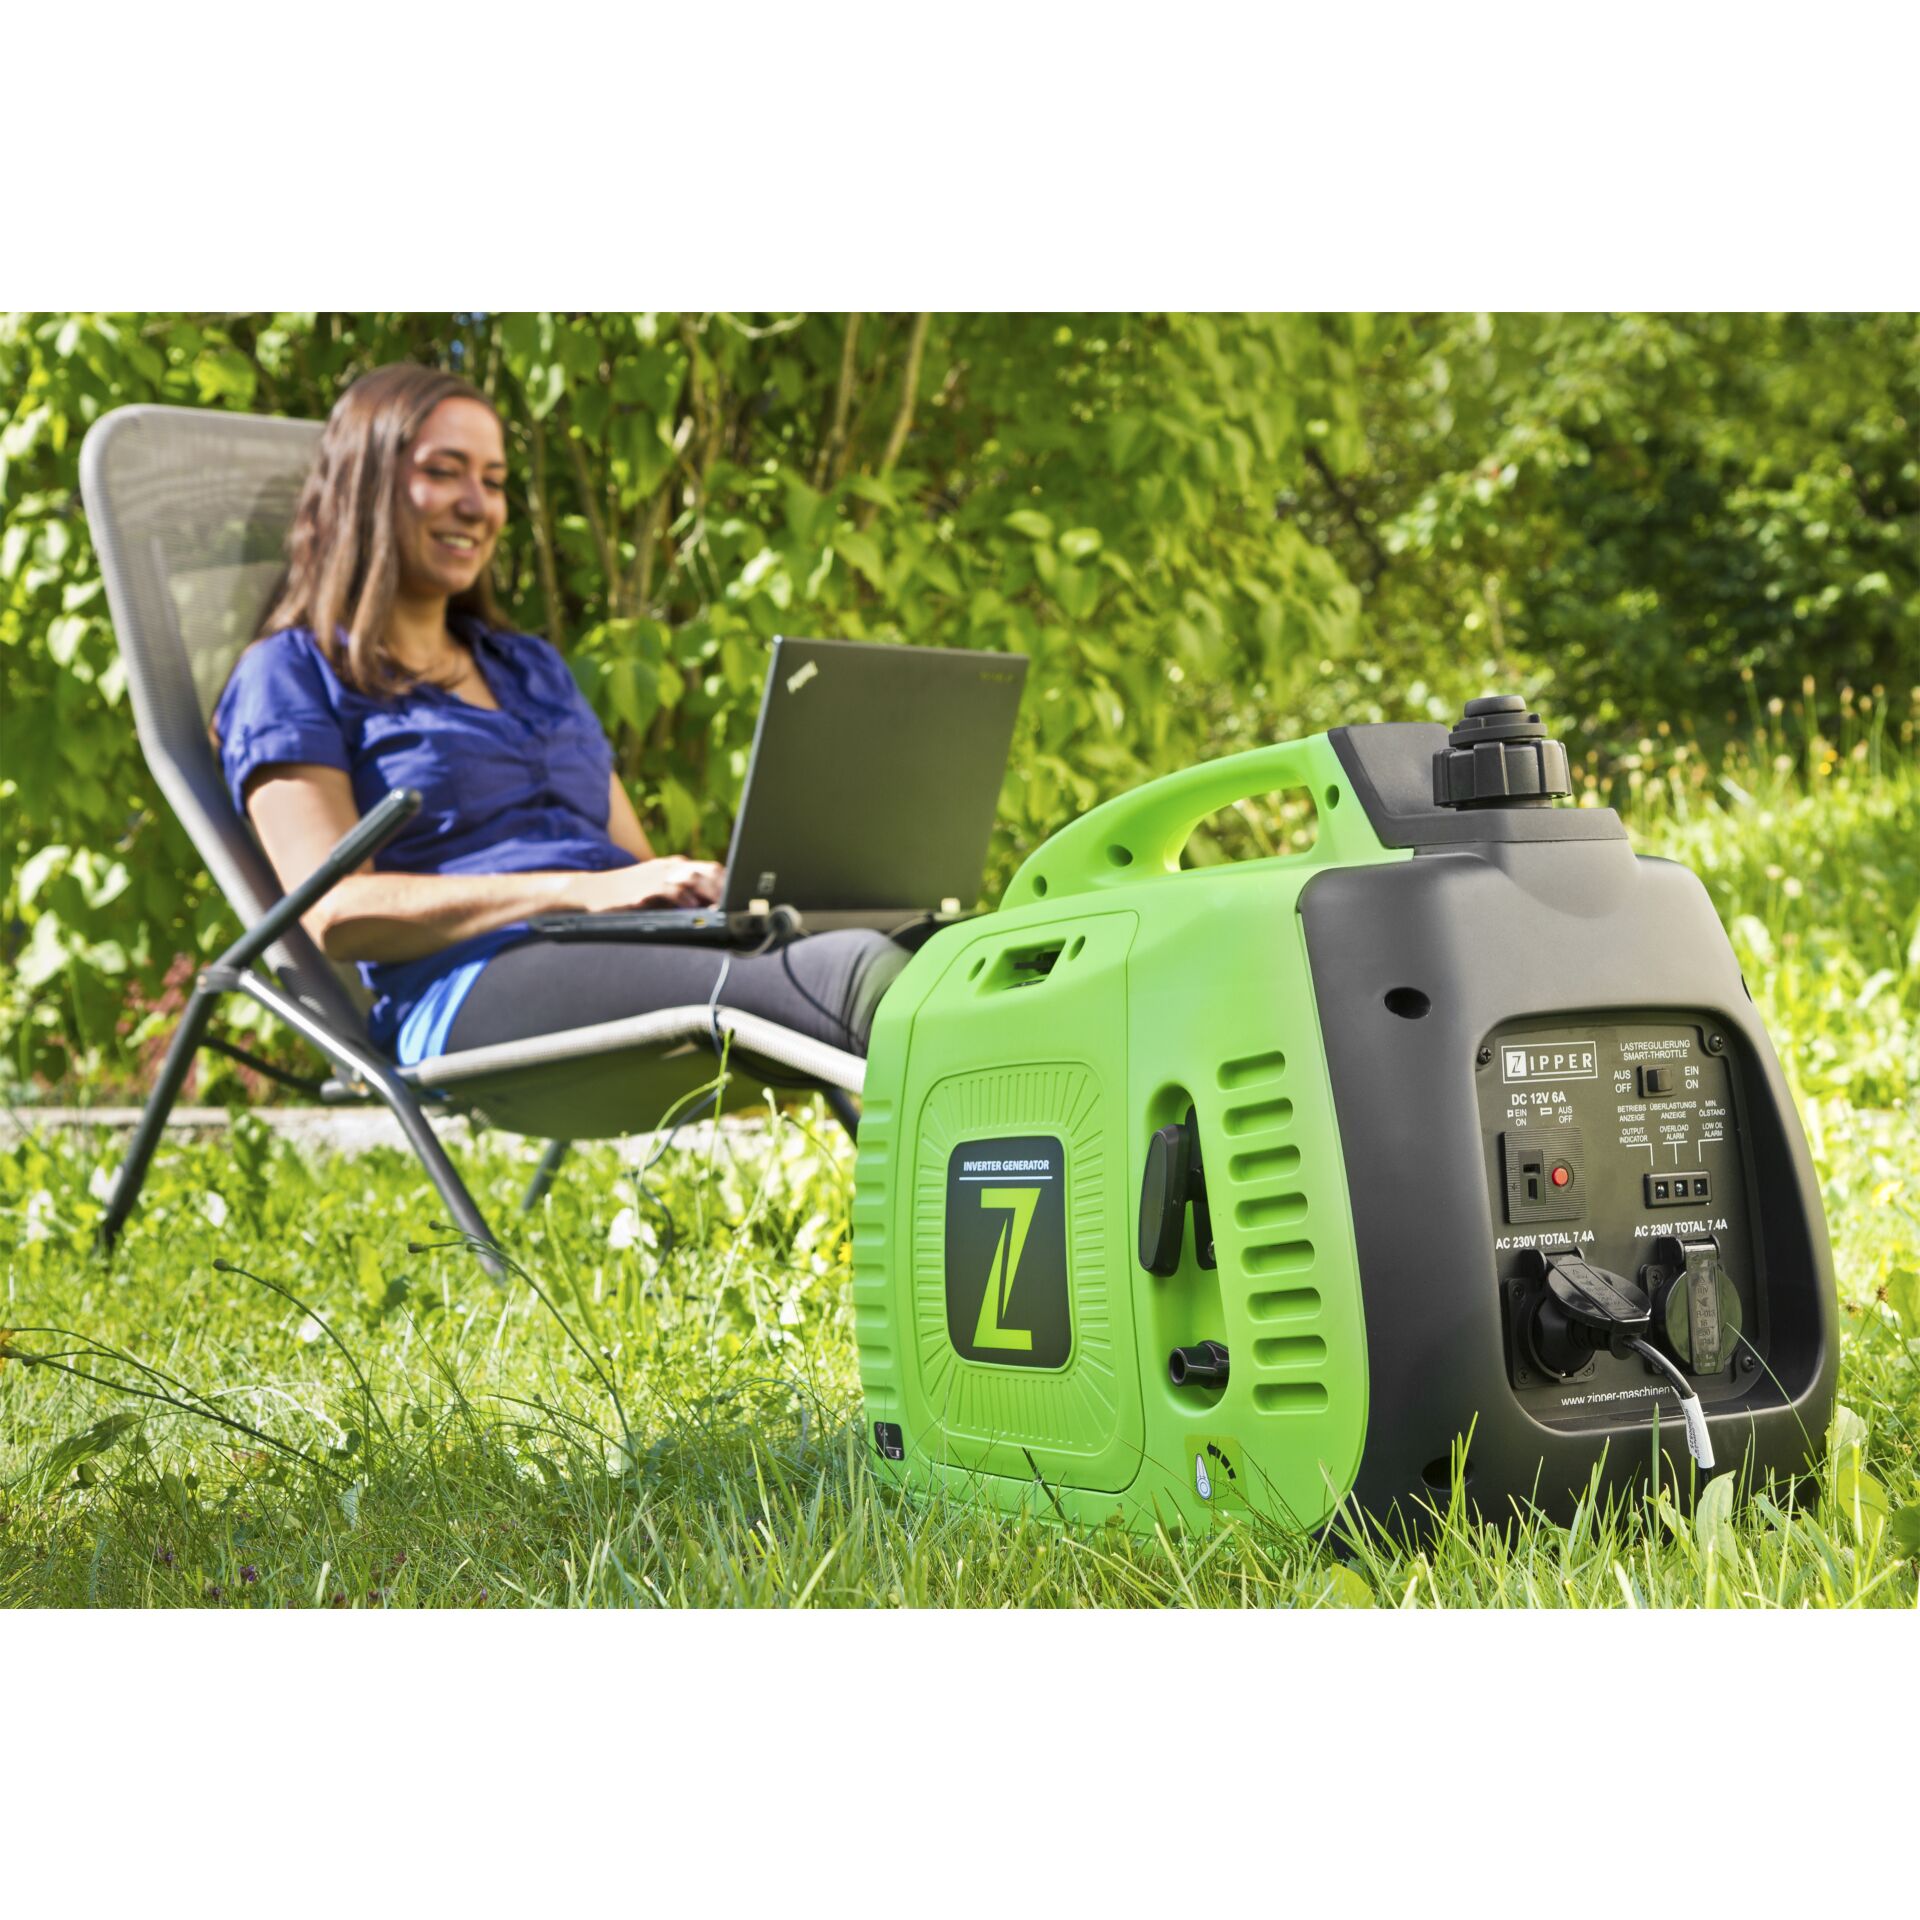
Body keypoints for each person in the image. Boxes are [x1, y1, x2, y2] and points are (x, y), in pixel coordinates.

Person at [213, 362, 906, 1070]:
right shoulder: (289, 672)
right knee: (855, 977)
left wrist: (700, 893)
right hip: (469, 986)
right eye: (444, 472)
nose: (476, 505)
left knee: (941, 951)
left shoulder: (529, 667)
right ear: (362, 486)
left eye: (493, 481)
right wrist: (577, 893)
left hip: (615, 952)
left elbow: (632, 865)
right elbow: (337, 914)